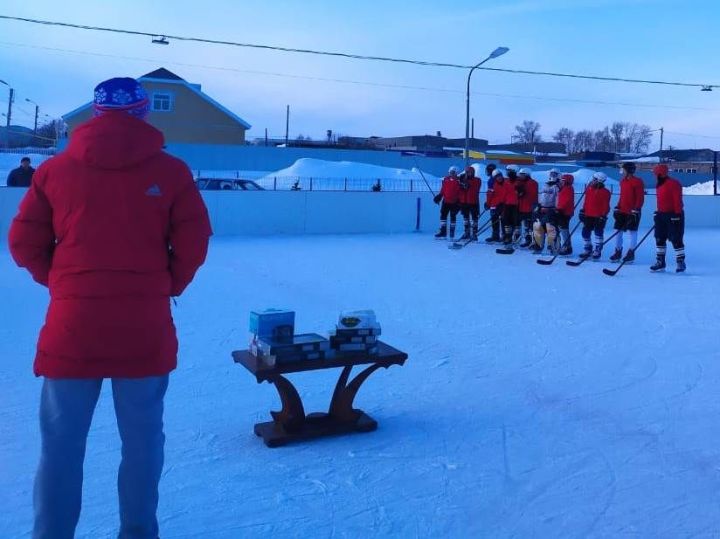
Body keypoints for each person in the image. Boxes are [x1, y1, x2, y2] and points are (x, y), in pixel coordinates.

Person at [7, 77, 212, 538]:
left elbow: (22, 242)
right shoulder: (171, 171)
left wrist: (63, 282)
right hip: (143, 328)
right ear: (143, 113)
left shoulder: (53, 171)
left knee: (60, 446)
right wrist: (164, 283)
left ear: (95, 116)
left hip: (72, 328)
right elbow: (194, 242)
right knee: (142, 443)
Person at [650, 164, 686, 272]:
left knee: (676, 239)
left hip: (674, 215)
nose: (654, 176)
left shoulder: (674, 184)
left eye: (655, 174)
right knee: (659, 238)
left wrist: (677, 215)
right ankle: (660, 262)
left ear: (660, 174)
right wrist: (658, 212)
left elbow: (677, 200)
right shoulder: (659, 184)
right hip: (661, 215)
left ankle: (680, 262)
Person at [610, 162, 645, 263]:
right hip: (622, 210)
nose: (622, 171)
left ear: (629, 170)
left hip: (633, 212)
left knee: (632, 232)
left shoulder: (638, 182)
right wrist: (618, 206)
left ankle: (631, 253)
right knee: (617, 231)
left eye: (623, 169)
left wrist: (636, 209)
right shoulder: (623, 181)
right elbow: (622, 196)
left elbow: (640, 197)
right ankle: (618, 251)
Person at [579, 172, 611, 259]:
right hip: (588, 214)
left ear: (598, 180)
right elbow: (586, 202)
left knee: (598, 232)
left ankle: (597, 250)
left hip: (599, 216)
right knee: (585, 232)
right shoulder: (589, 189)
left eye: (594, 179)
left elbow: (606, 205)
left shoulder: (605, 192)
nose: (592, 181)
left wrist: (603, 215)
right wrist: (583, 211)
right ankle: (588, 248)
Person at [532, 175, 559, 253]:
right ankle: (538, 245)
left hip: (552, 210)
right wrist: (539, 206)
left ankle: (552, 246)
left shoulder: (557, 188)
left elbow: (558, 199)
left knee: (551, 228)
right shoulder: (545, 186)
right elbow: (541, 197)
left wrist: (554, 209)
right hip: (542, 209)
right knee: (539, 227)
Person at [434, 166, 461, 239]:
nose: (451, 174)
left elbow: (461, 192)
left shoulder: (459, 181)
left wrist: (459, 202)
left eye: (453, 172)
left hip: (455, 202)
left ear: (456, 173)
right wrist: (439, 196)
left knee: (453, 216)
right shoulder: (446, 179)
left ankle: (452, 233)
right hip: (445, 201)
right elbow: (443, 190)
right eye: (450, 172)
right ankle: (443, 232)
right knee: (443, 216)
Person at [458, 165, 482, 241]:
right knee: (465, 218)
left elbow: (475, 187)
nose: (469, 173)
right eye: (467, 172)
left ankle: (474, 234)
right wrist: (461, 183)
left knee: (474, 219)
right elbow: (460, 189)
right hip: (464, 202)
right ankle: (467, 233)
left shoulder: (477, 180)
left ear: (473, 172)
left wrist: (466, 183)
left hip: (473, 202)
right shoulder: (463, 180)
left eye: (470, 172)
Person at [516, 168, 538, 248]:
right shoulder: (520, 183)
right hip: (522, 207)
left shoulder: (533, 183)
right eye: (520, 175)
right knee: (526, 226)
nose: (521, 176)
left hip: (530, 208)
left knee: (531, 226)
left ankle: (534, 241)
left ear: (527, 174)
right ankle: (527, 240)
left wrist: (523, 193)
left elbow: (532, 196)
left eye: (523, 175)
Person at [556, 173, 576, 255]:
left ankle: (567, 246)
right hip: (563, 211)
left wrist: (559, 209)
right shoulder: (564, 188)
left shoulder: (568, 188)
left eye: (563, 180)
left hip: (565, 212)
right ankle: (567, 246)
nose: (562, 182)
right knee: (562, 228)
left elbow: (566, 200)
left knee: (564, 228)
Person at [485, 168, 505, 243]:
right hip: (494, 205)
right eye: (497, 176)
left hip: (502, 205)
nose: (499, 177)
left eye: (500, 176)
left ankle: (504, 235)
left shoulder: (505, 183)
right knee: (494, 220)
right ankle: (495, 235)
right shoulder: (491, 183)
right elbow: (489, 194)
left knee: (503, 220)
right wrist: (487, 203)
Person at [502, 164, 521, 245]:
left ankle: (517, 237)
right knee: (506, 221)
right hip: (507, 204)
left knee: (516, 221)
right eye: (507, 171)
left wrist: (520, 191)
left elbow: (522, 193)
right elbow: (504, 193)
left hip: (516, 204)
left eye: (509, 171)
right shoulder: (506, 181)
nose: (507, 173)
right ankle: (508, 236)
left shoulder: (519, 181)